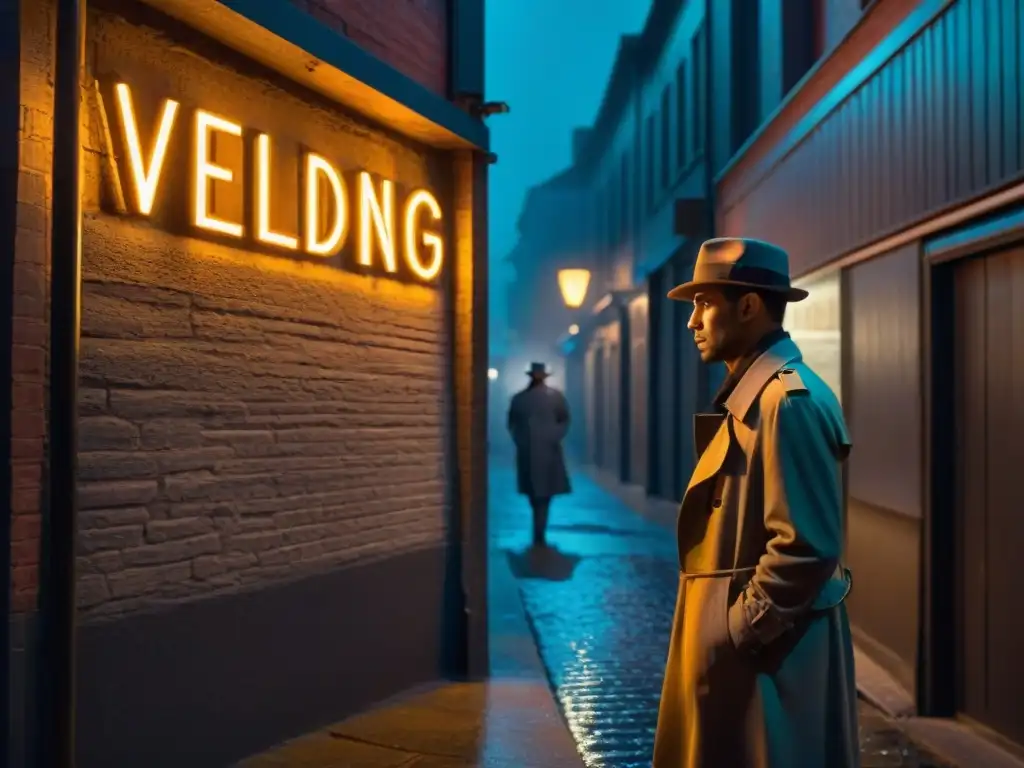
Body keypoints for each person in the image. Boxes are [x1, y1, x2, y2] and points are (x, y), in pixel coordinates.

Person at [653, 238, 859, 768]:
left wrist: (737, 631)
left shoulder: (785, 402)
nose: (692, 321)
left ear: (747, 306)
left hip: (766, 664)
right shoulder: (758, 397)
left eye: (704, 302)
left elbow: (806, 546)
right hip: (746, 660)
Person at [507, 362, 572, 547]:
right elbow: (564, 420)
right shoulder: (553, 397)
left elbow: (511, 424)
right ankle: (539, 530)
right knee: (542, 494)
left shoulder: (521, 398)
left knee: (537, 494)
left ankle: (539, 530)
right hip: (543, 450)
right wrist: (554, 435)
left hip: (534, 450)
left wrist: (522, 440)